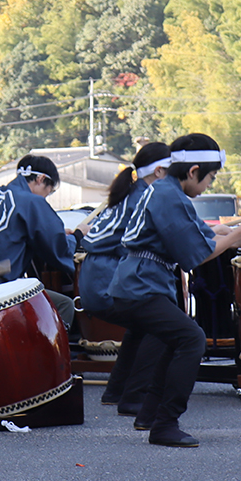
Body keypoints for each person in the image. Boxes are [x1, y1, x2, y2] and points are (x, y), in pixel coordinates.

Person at [107, 133, 241, 447]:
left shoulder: (168, 191)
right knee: (191, 338)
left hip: (138, 283)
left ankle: (150, 415)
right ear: (192, 172)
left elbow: (199, 235)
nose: (209, 184)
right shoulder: (169, 196)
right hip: (140, 285)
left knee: (175, 339)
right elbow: (198, 255)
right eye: (209, 178)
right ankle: (165, 424)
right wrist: (240, 232)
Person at [76, 142, 171, 415]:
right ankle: (134, 396)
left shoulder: (131, 192)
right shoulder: (144, 198)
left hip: (94, 279)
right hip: (107, 281)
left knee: (142, 326)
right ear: (160, 172)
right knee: (163, 325)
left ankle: (116, 391)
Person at [0, 154, 76, 328]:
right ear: (41, 179)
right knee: (64, 305)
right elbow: (57, 248)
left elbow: (8, 232)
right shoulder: (31, 201)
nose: (45, 198)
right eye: (47, 192)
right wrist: (76, 237)